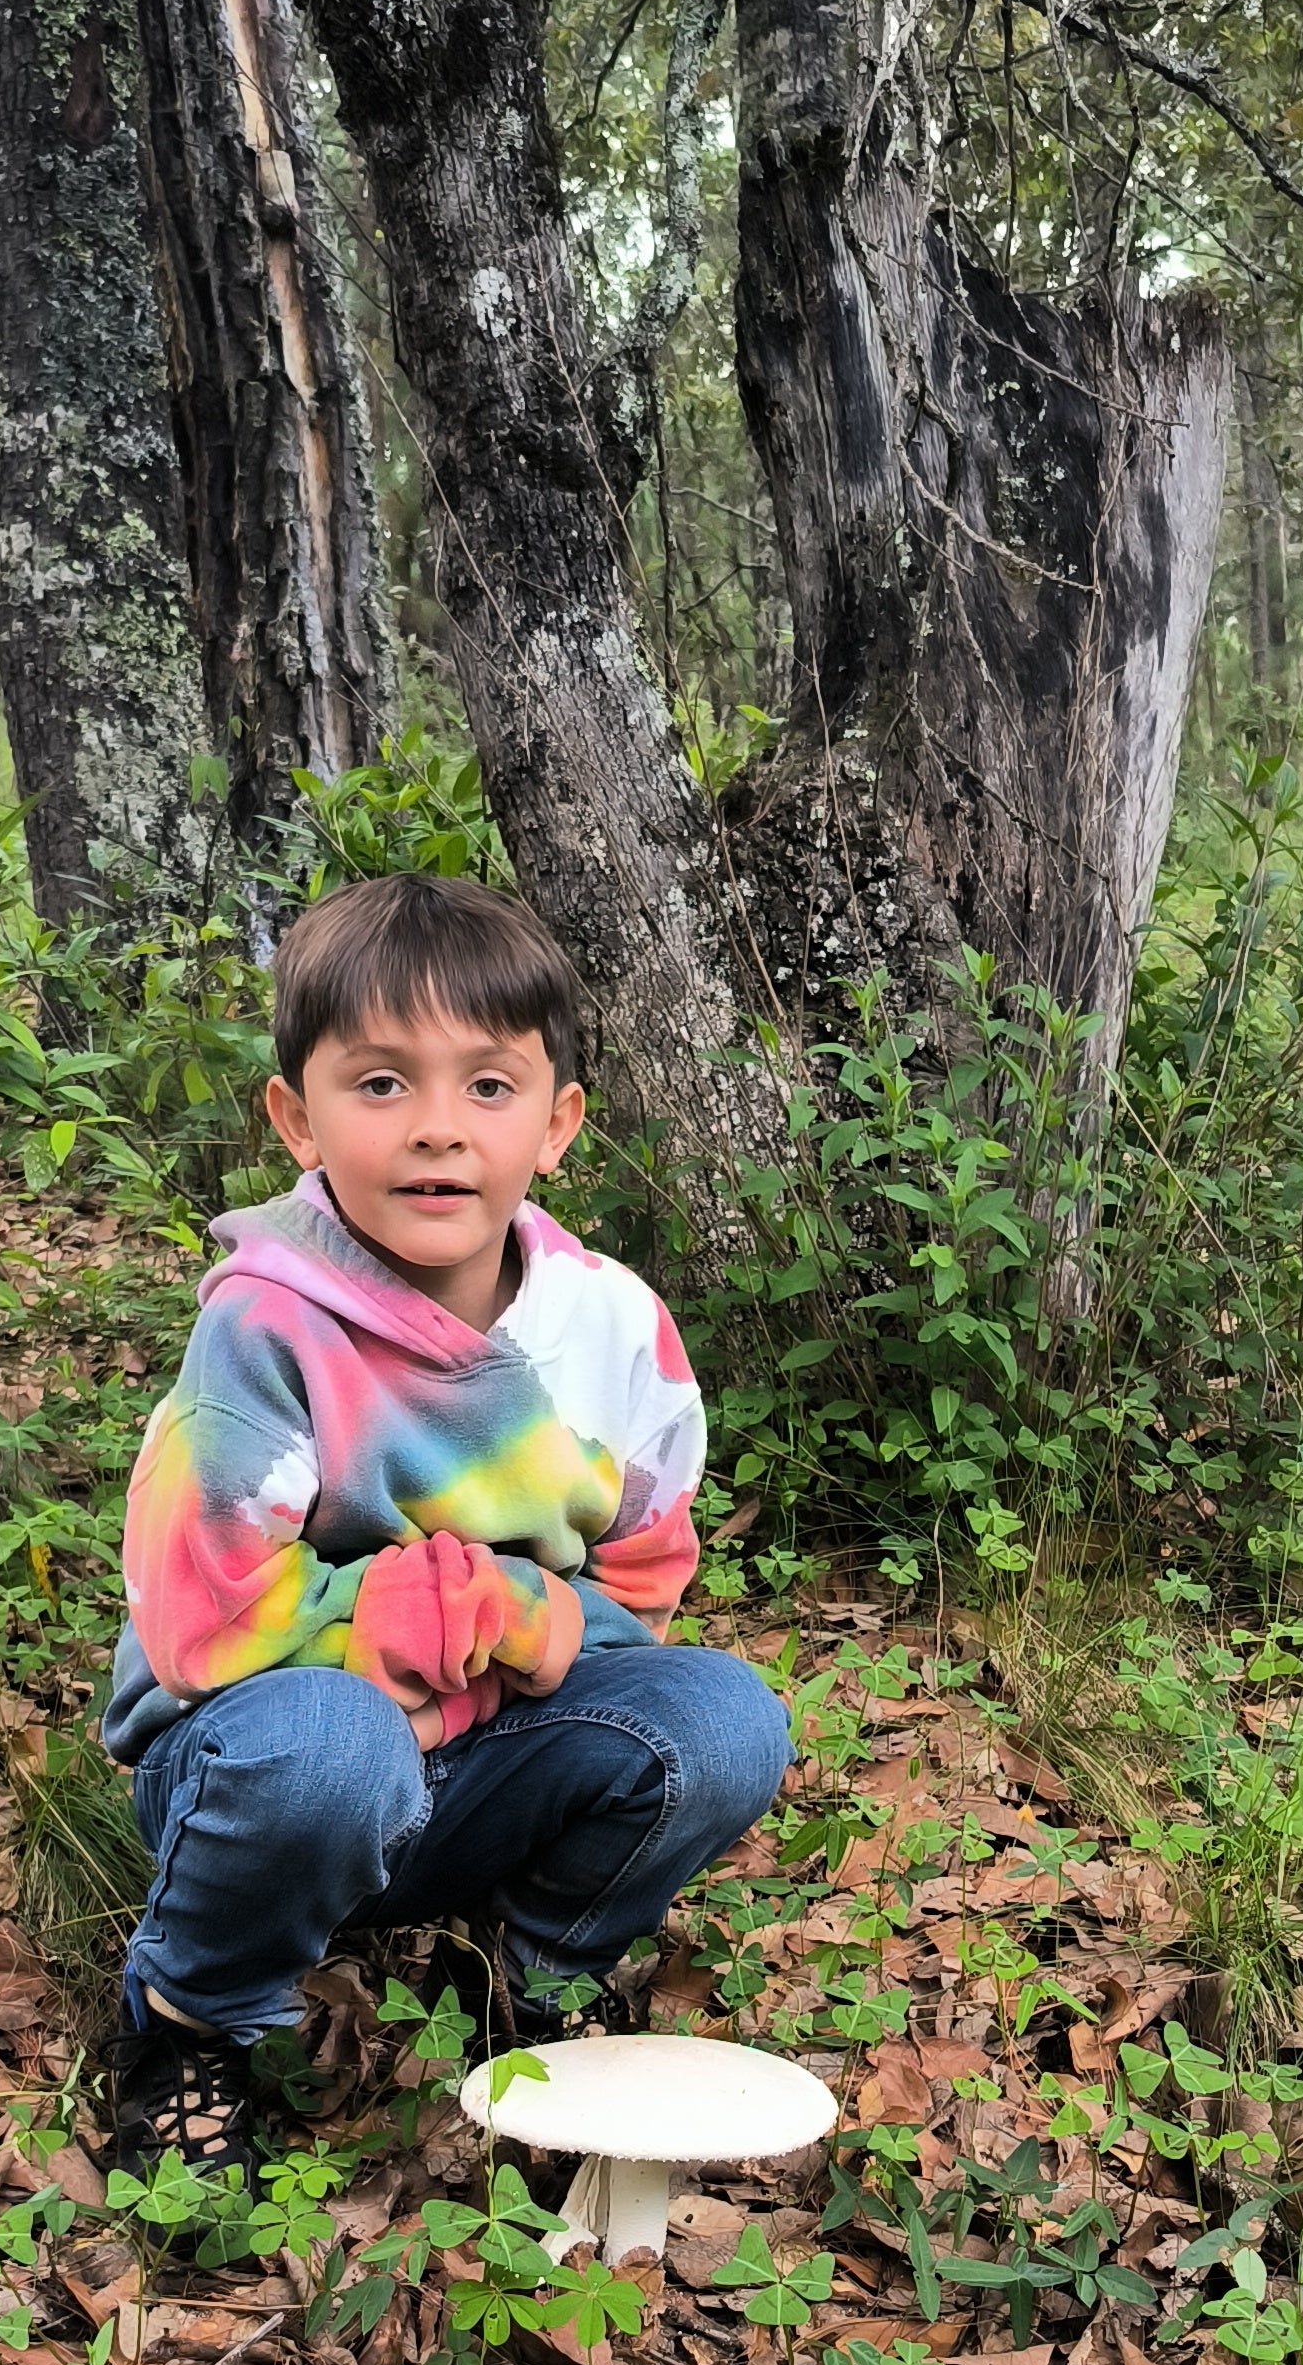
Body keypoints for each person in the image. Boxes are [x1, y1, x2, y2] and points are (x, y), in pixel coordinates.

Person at [102, 870, 790, 2184]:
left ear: (558, 1121)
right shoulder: (264, 1328)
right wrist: (413, 1619)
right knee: (329, 1749)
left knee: (725, 1720)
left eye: (488, 1086)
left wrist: (543, 1619)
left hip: (479, 1764)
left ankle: (534, 1982)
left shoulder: (611, 1329)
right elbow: (203, 1617)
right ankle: (192, 2020)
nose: (437, 1129)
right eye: (380, 1084)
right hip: (267, 1766)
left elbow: (643, 1568)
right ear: (296, 1118)